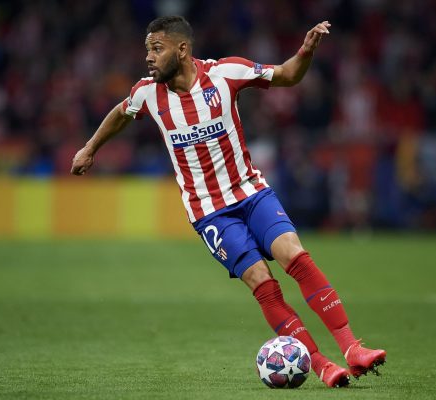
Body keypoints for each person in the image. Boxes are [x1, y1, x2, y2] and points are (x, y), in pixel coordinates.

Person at [71, 15, 386, 388]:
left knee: (295, 255)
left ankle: (352, 348)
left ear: (182, 49)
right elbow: (121, 113)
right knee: (261, 281)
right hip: (210, 213)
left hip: (251, 192)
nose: (149, 58)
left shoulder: (225, 73)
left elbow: (287, 75)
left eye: (156, 49)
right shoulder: (147, 93)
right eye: (147, 50)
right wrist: (90, 148)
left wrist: (305, 51)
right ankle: (321, 366)